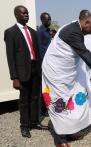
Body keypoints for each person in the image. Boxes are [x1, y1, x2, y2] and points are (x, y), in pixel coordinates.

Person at [41, 14, 91, 146]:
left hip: (67, 73)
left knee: (73, 102)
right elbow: (85, 54)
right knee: (59, 104)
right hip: (56, 73)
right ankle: (59, 140)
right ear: (86, 23)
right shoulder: (73, 32)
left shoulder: (76, 28)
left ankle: (70, 130)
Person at [4, 5, 42, 138]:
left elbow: (38, 53)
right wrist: (14, 77)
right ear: (16, 15)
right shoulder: (11, 32)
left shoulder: (33, 32)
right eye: (23, 13)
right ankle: (24, 126)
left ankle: (34, 122)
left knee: (35, 97)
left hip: (35, 69)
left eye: (27, 13)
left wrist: (40, 69)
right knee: (24, 100)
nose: (26, 15)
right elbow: (11, 57)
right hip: (22, 72)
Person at [37, 12, 52, 117]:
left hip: (48, 63)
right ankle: (42, 110)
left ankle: (46, 107)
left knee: (47, 87)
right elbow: (39, 49)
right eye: (48, 19)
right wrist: (43, 64)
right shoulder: (40, 32)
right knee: (43, 87)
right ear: (42, 20)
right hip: (43, 63)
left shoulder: (47, 31)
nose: (50, 21)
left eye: (50, 19)